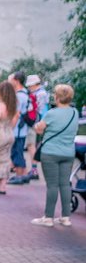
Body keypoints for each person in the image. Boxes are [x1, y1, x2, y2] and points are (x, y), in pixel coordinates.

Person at [30, 84, 77, 227]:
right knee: (65, 185)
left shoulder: (51, 113)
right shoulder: (74, 112)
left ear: (57, 97)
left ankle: (49, 217)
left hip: (50, 153)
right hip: (68, 153)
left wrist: (37, 126)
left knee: (52, 185)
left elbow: (39, 129)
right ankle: (65, 217)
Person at [24, 74, 49, 181]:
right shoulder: (43, 92)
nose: (29, 87)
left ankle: (34, 170)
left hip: (36, 123)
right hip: (39, 122)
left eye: (30, 85)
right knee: (33, 145)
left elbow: (39, 109)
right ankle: (33, 169)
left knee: (31, 145)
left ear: (34, 84)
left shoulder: (40, 94)